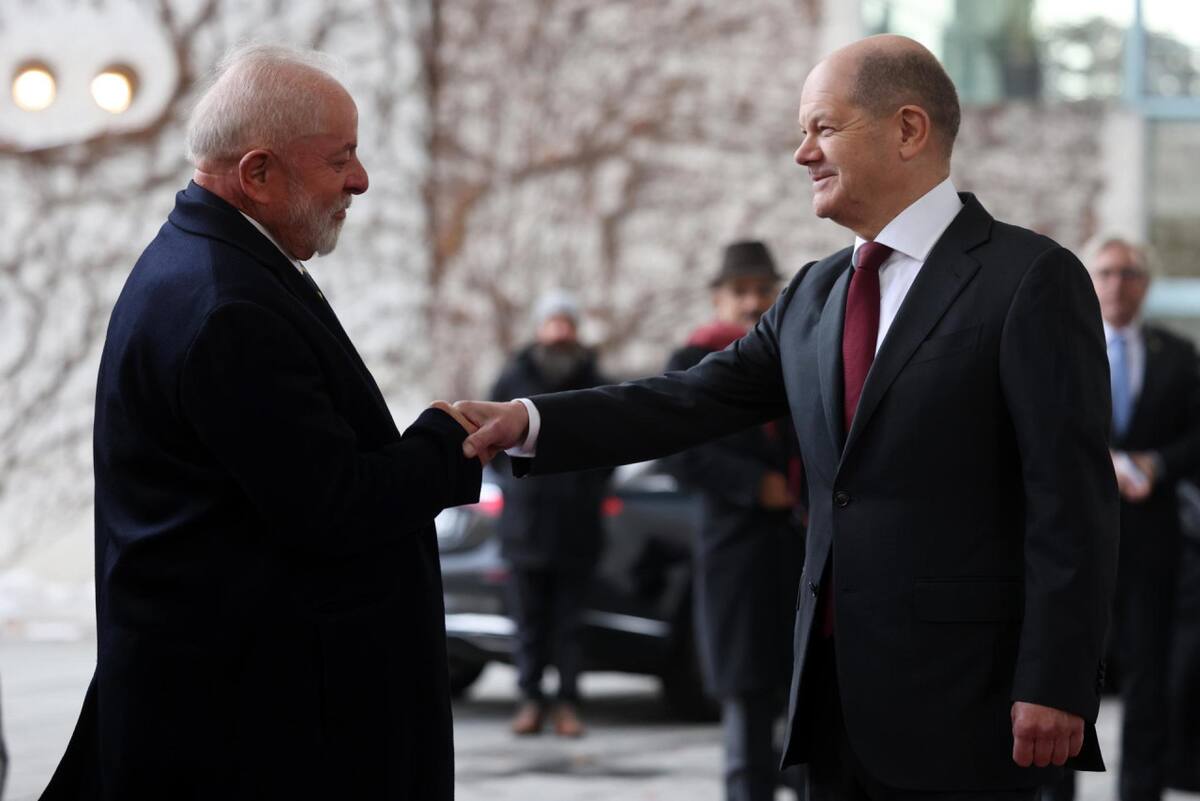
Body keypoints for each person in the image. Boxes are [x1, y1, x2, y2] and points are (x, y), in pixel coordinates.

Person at [453, 34, 1119, 799]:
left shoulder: (1029, 280)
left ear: (909, 129)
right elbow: (690, 399)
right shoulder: (813, 294)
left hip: (968, 703)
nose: (802, 153)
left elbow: (1072, 502)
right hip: (827, 704)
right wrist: (530, 419)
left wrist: (1057, 679)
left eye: (823, 127)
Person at [39, 45, 481, 801]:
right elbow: (333, 507)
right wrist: (447, 436)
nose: (361, 179)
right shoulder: (229, 304)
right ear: (258, 174)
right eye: (340, 157)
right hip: (250, 737)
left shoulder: (212, 263)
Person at [1043, 237, 1200, 801]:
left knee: (1149, 678)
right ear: (1089, 280)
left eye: (1129, 273)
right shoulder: (1058, 349)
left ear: (1146, 282)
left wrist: (1156, 464)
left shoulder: (1177, 356)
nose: (1117, 283)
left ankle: (1141, 790)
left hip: (1151, 538)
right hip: (1074, 542)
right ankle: (1056, 789)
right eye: (1106, 272)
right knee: (1064, 674)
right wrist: (1100, 461)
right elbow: (1041, 431)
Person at [662, 241, 805, 801]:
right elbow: (679, 451)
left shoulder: (791, 354)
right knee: (747, 711)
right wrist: (754, 485)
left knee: (804, 715)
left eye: (762, 291)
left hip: (799, 552)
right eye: (740, 292)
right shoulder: (692, 359)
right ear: (718, 299)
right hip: (736, 556)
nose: (752, 303)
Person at [490, 291, 611, 737]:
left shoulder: (594, 376)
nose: (559, 331)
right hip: (525, 528)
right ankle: (529, 700)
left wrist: (585, 485)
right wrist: (518, 481)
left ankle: (568, 704)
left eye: (566, 322)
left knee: (570, 626)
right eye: (552, 322)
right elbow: (491, 441)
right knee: (528, 625)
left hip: (578, 528)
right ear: (540, 329)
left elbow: (614, 444)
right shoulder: (514, 376)